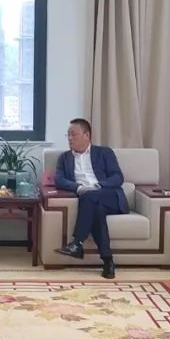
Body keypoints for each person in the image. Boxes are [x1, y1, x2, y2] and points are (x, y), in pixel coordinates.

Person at [53, 118, 126, 279]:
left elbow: (118, 177)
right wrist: (79, 188)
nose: (70, 138)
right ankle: (108, 261)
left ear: (87, 135)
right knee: (96, 210)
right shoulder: (64, 158)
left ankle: (77, 243)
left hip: (109, 196)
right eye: (68, 135)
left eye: (74, 134)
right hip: (88, 199)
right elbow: (59, 180)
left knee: (90, 196)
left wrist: (98, 185)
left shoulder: (104, 152)